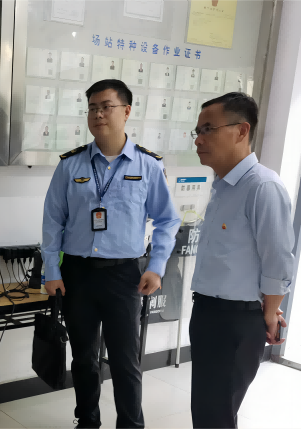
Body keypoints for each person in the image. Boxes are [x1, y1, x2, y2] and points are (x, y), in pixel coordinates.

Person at [42, 79, 180, 429]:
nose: (98, 114)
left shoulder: (148, 165)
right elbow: (52, 221)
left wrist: (157, 266)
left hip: (124, 276)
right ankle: (87, 421)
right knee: (83, 358)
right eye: (92, 108)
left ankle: (131, 425)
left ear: (127, 111)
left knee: (125, 361)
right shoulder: (70, 165)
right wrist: (51, 271)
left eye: (106, 106)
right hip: (77, 274)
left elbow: (167, 220)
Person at [189, 93, 294, 429]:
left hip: (235, 322)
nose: (199, 139)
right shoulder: (223, 186)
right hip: (208, 312)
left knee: (216, 415)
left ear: (241, 131)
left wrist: (269, 312)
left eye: (208, 129)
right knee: (206, 411)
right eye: (197, 131)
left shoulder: (262, 187)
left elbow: (278, 260)